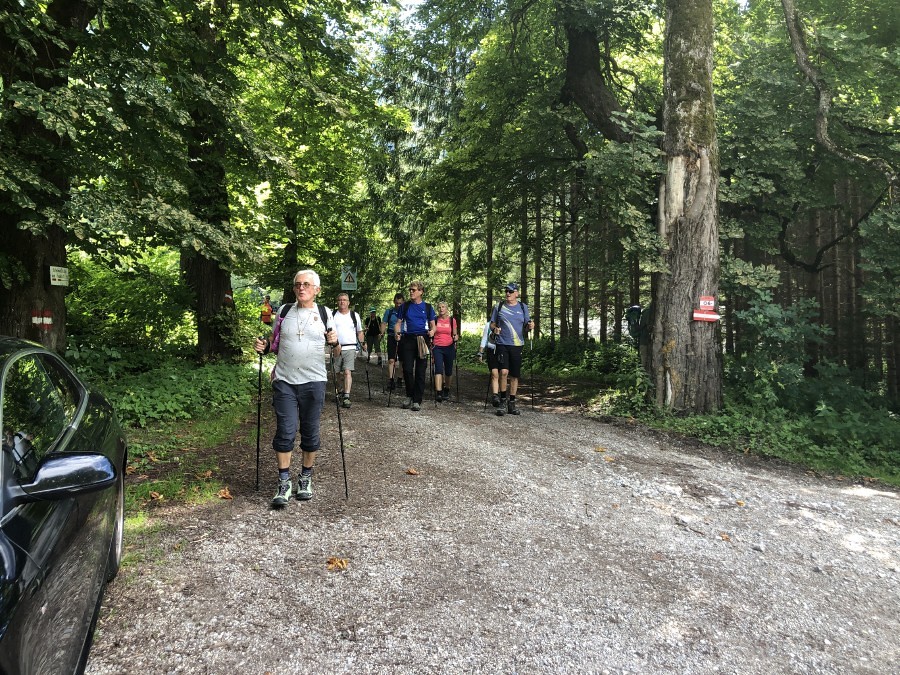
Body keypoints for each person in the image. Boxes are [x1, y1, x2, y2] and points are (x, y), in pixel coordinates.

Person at [253, 270, 338, 507]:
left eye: (307, 284)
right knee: (285, 431)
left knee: (310, 432)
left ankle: (305, 478)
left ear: (316, 290)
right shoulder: (283, 311)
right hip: (285, 381)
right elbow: (274, 344)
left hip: (314, 381)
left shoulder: (325, 314)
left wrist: (334, 342)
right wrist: (263, 346)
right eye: (298, 284)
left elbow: (337, 349)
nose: (302, 288)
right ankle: (284, 482)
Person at [489, 282, 534, 416]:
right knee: (503, 372)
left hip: (517, 345)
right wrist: (495, 329)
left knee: (514, 375)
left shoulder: (523, 307)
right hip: (502, 343)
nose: (507, 293)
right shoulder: (499, 306)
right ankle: (503, 401)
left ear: (516, 293)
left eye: (510, 291)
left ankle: (512, 403)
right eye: (506, 291)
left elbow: (526, 325)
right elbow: (492, 324)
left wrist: (530, 326)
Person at [394, 280, 436, 411]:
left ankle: (417, 400)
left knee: (420, 370)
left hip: (422, 339)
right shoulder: (405, 306)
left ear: (421, 291)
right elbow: (398, 323)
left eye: (414, 290)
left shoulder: (428, 307)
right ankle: (409, 395)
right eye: (410, 290)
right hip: (407, 339)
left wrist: (432, 332)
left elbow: (433, 325)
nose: (411, 292)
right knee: (407, 369)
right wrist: (397, 333)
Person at [332, 292, 365, 408]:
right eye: (340, 300)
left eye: (344, 300)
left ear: (348, 302)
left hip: (350, 347)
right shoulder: (332, 315)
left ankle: (346, 396)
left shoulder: (354, 315)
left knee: (347, 371)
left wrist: (362, 343)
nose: (342, 302)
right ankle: (339, 391)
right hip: (336, 347)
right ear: (337, 302)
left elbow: (359, 331)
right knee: (336, 373)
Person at [432, 301, 458, 402]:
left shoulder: (452, 320)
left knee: (448, 371)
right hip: (437, 347)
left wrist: (456, 338)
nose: (441, 309)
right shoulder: (434, 320)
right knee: (438, 369)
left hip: (449, 347)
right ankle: (439, 392)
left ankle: (446, 389)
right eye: (439, 307)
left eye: (443, 307)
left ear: (446, 309)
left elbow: (454, 334)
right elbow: (432, 332)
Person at [381, 293, 405, 391]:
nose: (398, 305)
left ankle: (400, 378)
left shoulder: (406, 312)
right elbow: (384, 323)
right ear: (394, 302)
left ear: (403, 303)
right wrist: (382, 332)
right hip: (391, 336)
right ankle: (391, 380)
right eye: (397, 303)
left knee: (403, 360)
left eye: (400, 303)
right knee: (391, 360)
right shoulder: (389, 312)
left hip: (403, 337)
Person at [478, 317, 500, 407]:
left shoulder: (506, 324)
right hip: (491, 350)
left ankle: (501, 394)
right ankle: (495, 396)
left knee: (502, 373)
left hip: (502, 350)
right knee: (494, 373)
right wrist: (480, 352)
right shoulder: (489, 324)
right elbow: (484, 339)